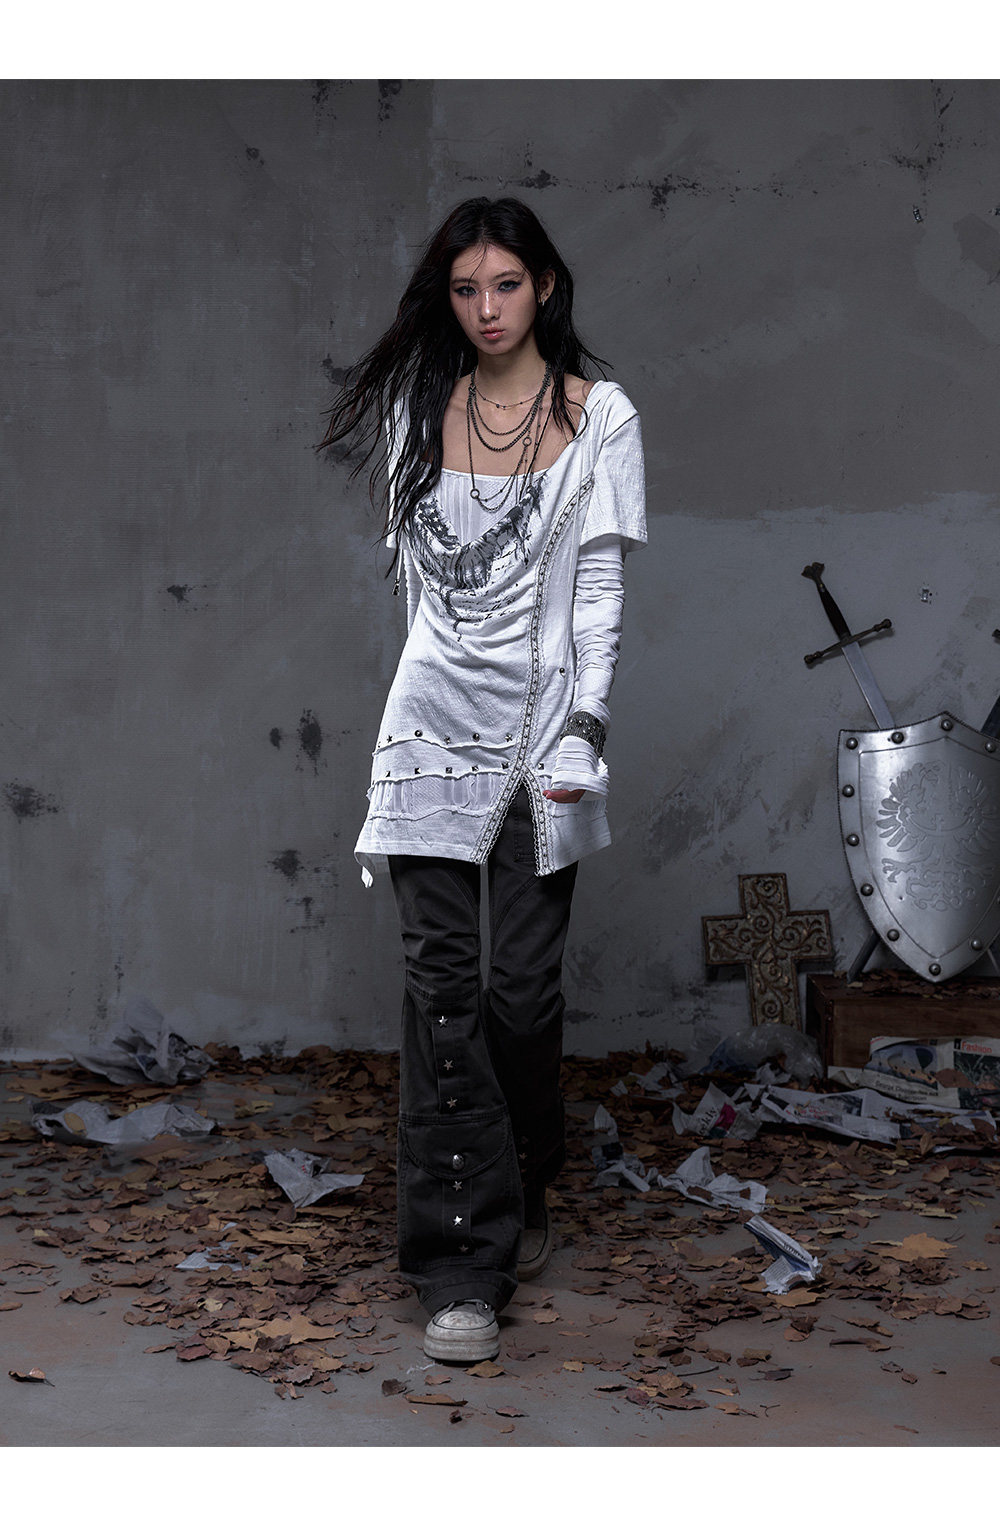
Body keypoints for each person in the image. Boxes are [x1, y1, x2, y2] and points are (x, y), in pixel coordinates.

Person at [320, 197, 646, 1363]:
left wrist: (585, 728)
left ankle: (524, 1172)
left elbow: (597, 591)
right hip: (429, 732)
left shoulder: (600, 417)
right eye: (466, 290)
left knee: (519, 995)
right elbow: (422, 593)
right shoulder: (420, 408)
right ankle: (458, 1267)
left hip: (546, 735)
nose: (487, 309)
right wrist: (426, 707)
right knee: (441, 991)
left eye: (506, 285)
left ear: (544, 285)